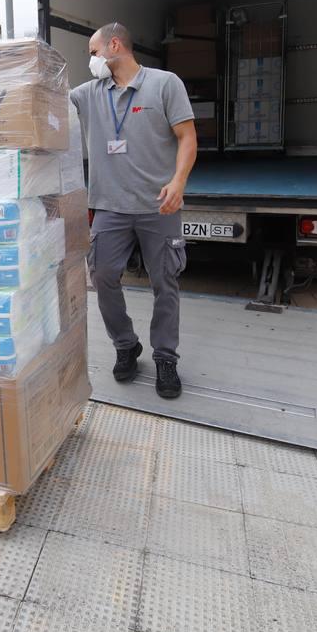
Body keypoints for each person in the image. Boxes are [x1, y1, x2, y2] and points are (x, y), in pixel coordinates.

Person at [69, 23, 196, 399]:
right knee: (103, 275)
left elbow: (187, 137)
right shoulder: (90, 93)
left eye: (93, 53)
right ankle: (126, 344)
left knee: (165, 281)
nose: (91, 61)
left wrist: (179, 182)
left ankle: (165, 357)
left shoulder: (164, 83)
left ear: (114, 45)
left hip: (158, 204)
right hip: (109, 206)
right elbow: (46, 99)